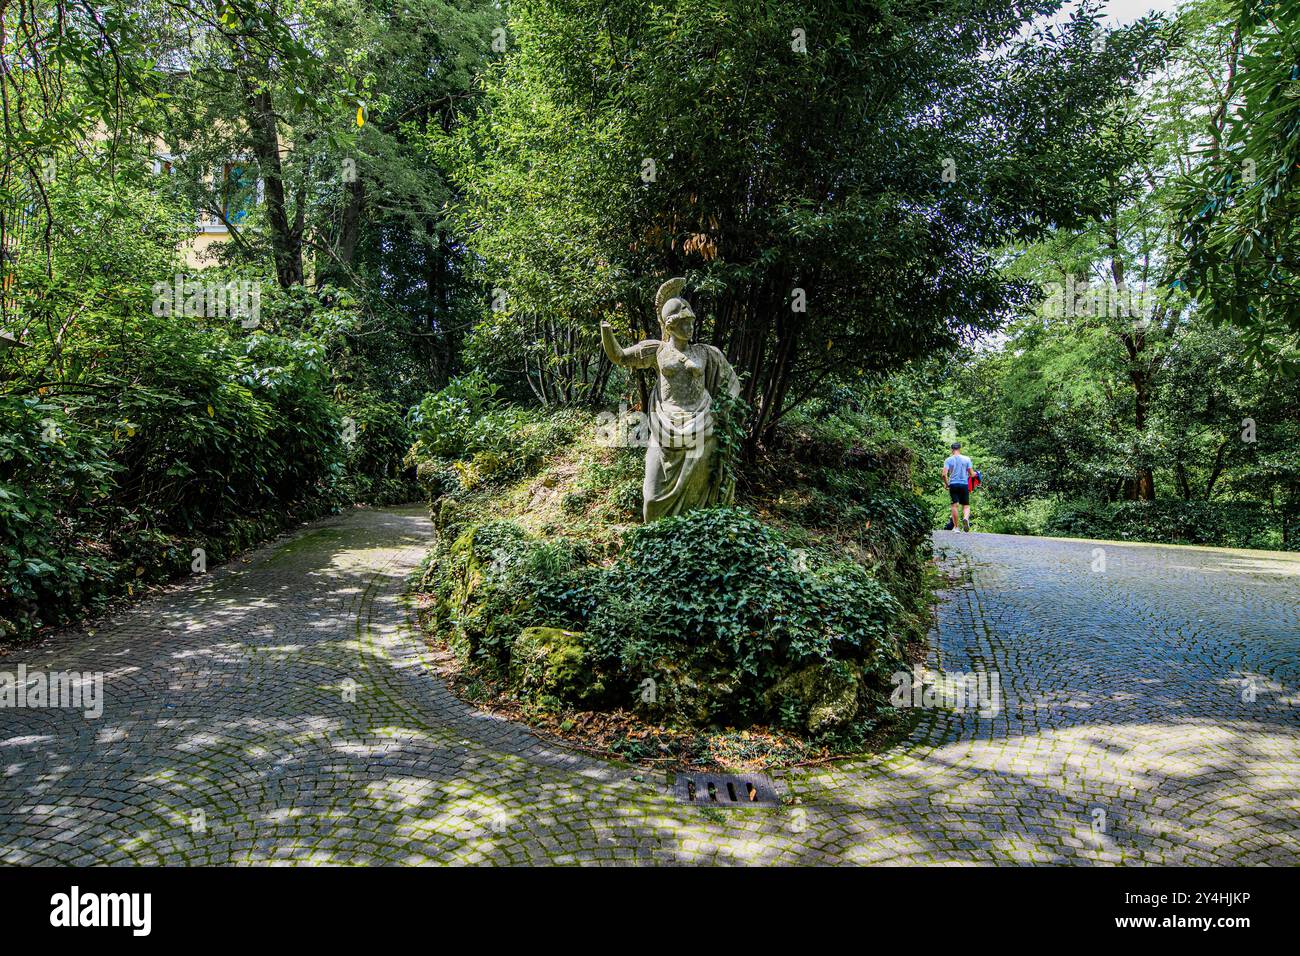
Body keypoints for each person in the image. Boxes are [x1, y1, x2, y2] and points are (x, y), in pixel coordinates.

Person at [943, 442, 975, 532]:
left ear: (952, 449)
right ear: (960, 449)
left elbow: (944, 474)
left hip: (953, 484)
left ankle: (956, 527)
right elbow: (971, 474)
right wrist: (975, 474)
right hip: (964, 484)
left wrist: (947, 484)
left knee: (954, 505)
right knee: (966, 505)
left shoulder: (948, 460)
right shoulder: (967, 459)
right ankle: (965, 518)